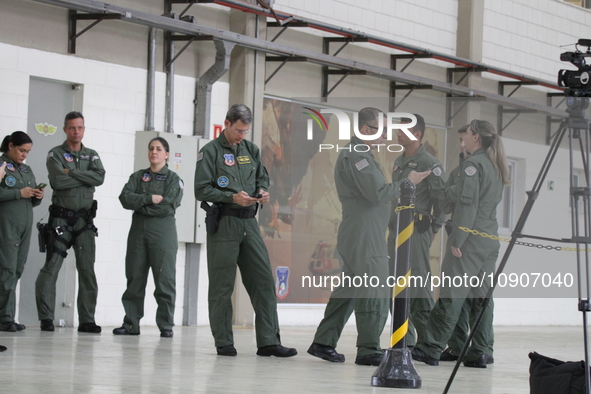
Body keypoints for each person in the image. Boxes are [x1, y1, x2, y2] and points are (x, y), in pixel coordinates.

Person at [307, 108, 430, 366]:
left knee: (350, 290)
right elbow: (378, 193)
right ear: (366, 130)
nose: (386, 136)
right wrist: (408, 182)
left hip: (362, 232)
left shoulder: (362, 155)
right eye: (382, 130)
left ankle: (324, 341)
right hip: (364, 236)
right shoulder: (358, 156)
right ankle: (368, 349)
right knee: (375, 289)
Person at [194, 104, 297, 357]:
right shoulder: (210, 152)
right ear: (227, 123)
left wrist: (262, 191)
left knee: (262, 280)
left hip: (249, 223)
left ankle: (269, 341)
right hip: (224, 223)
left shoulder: (251, 150)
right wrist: (231, 197)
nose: (242, 135)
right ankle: (224, 342)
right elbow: (201, 189)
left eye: (246, 131)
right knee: (222, 286)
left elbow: (262, 177)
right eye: (239, 130)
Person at [412, 120, 509, 368]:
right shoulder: (495, 164)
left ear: (475, 137)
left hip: (470, 238)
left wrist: (458, 239)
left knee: (452, 293)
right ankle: (480, 350)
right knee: (480, 296)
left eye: (464, 136)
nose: (462, 140)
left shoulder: (473, 165)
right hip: (488, 238)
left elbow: (468, 205)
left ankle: (430, 346)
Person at [35, 111, 105, 333]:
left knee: (87, 270)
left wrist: (71, 172)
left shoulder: (92, 155)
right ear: (65, 129)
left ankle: (87, 320)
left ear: (84, 129)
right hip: (61, 220)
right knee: (51, 268)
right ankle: (46, 318)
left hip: (84, 222)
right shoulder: (55, 154)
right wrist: (83, 178)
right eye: (72, 128)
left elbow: (100, 177)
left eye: (80, 127)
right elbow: (58, 181)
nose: (76, 132)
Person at [113, 137, 183, 338]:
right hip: (138, 233)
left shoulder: (173, 179)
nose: (154, 152)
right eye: (151, 148)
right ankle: (131, 323)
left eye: (159, 149)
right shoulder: (137, 177)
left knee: (164, 280)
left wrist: (140, 205)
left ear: (166, 154)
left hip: (162, 235)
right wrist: (148, 199)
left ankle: (166, 324)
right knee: (134, 278)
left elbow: (168, 206)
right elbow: (124, 198)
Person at [388, 114, 446, 348]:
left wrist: (434, 227)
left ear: (418, 134)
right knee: (396, 285)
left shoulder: (429, 163)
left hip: (416, 232)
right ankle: (404, 340)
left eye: (403, 130)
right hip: (396, 232)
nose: (398, 134)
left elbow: (442, 200)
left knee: (419, 288)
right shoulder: (399, 161)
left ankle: (430, 344)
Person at [0, 132, 44, 335]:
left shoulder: (26, 169)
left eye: (27, 152)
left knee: (16, 270)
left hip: (24, 226)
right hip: (6, 225)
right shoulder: (1, 165)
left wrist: (36, 195)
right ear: (10, 146)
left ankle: (8, 315)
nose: (24, 155)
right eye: (21, 150)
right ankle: (4, 318)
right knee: (6, 270)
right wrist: (19, 193)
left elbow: (30, 200)